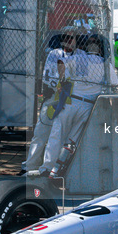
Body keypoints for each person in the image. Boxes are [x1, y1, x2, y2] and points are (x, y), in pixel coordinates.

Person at [29, 35, 106, 179]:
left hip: (70, 100)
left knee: (57, 135)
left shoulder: (78, 57)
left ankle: (49, 168)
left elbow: (61, 65)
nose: (70, 41)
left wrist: (63, 80)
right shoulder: (103, 62)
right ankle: (54, 169)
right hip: (86, 104)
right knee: (66, 139)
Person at [23, 33, 81, 174]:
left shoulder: (81, 55)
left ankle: (55, 168)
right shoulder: (55, 54)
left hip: (71, 101)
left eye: (71, 38)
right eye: (66, 39)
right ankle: (30, 166)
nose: (69, 41)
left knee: (61, 137)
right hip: (54, 98)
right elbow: (48, 76)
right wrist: (60, 85)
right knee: (41, 133)